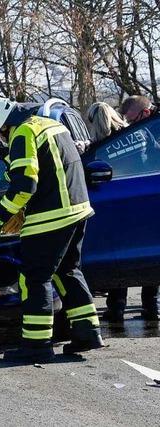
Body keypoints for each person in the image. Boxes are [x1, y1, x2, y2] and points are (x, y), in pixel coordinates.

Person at [0, 97, 105, 363]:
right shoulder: (48, 124)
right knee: (68, 270)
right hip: (77, 210)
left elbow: (24, 185)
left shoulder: (23, 132)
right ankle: (87, 332)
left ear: (1, 125)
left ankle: (37, 345)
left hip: (49, 216)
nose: (0, 141)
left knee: (34, 278)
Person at [92, 97, 160, 322]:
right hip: (144, 201)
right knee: (143, 252)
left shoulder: (115, 141)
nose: (129, 123)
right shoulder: (144, 134)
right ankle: (151, 307)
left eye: (133, 119)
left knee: (121, 253)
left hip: (121, 201)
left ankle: (119, 307)